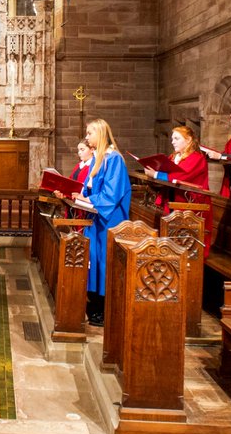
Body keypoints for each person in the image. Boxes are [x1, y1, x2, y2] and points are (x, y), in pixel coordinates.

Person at [67, 119, 131, 326]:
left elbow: (112, 195)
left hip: (109, 219)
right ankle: (94, 304)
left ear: (101, 134)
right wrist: (80, 196)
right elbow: (88, 187)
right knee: (93, 260)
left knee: (104, 262)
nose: (86, 137)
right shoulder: (98, 158)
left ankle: (104, 308)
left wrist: (89, 199)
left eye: (89, 133)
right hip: (95, 218)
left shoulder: (114, 159)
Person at [144, 125, 209, 191]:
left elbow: (180, 176)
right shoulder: (173, 156)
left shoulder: (197, 158)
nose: (173, 142)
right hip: (171, 194)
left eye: (176, 139)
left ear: (188, 140)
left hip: (189, 198)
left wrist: (155, 174)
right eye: (172, 139)